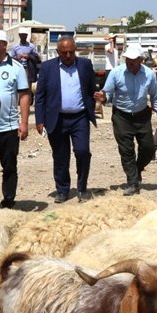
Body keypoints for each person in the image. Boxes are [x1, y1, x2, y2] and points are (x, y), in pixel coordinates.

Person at [96, 43, 157, 195]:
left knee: (148, 148)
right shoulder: (116, 73)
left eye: (134, 60)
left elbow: (156, 96)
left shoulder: (149, 74)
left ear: (141, 60)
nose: (130, 62)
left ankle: (137, 168)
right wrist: (103, 98)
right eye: (128, 59)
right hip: (121, 116)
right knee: (126, 150)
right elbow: (107, 93)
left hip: (142, 115)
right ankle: (132, 182)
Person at [35, 36, 98, 203]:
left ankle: (82, 188)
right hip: (57, 119)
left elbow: (92, 89)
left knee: (83, 152)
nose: (68, 55)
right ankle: (62, 190)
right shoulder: (48, 68)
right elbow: (40, 96)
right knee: (60, 156)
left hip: (80, 118)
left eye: (71, 52)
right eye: (64, 53)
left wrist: (93, 104)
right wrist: (39, 120)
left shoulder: (85, 65)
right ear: (58, 52)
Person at [0, 28, 31, 209]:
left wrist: (24, 123)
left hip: (8, 127)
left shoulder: (16, 68)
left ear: (4, 45)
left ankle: (8, 201)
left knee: (9, 166)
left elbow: (24, 95)